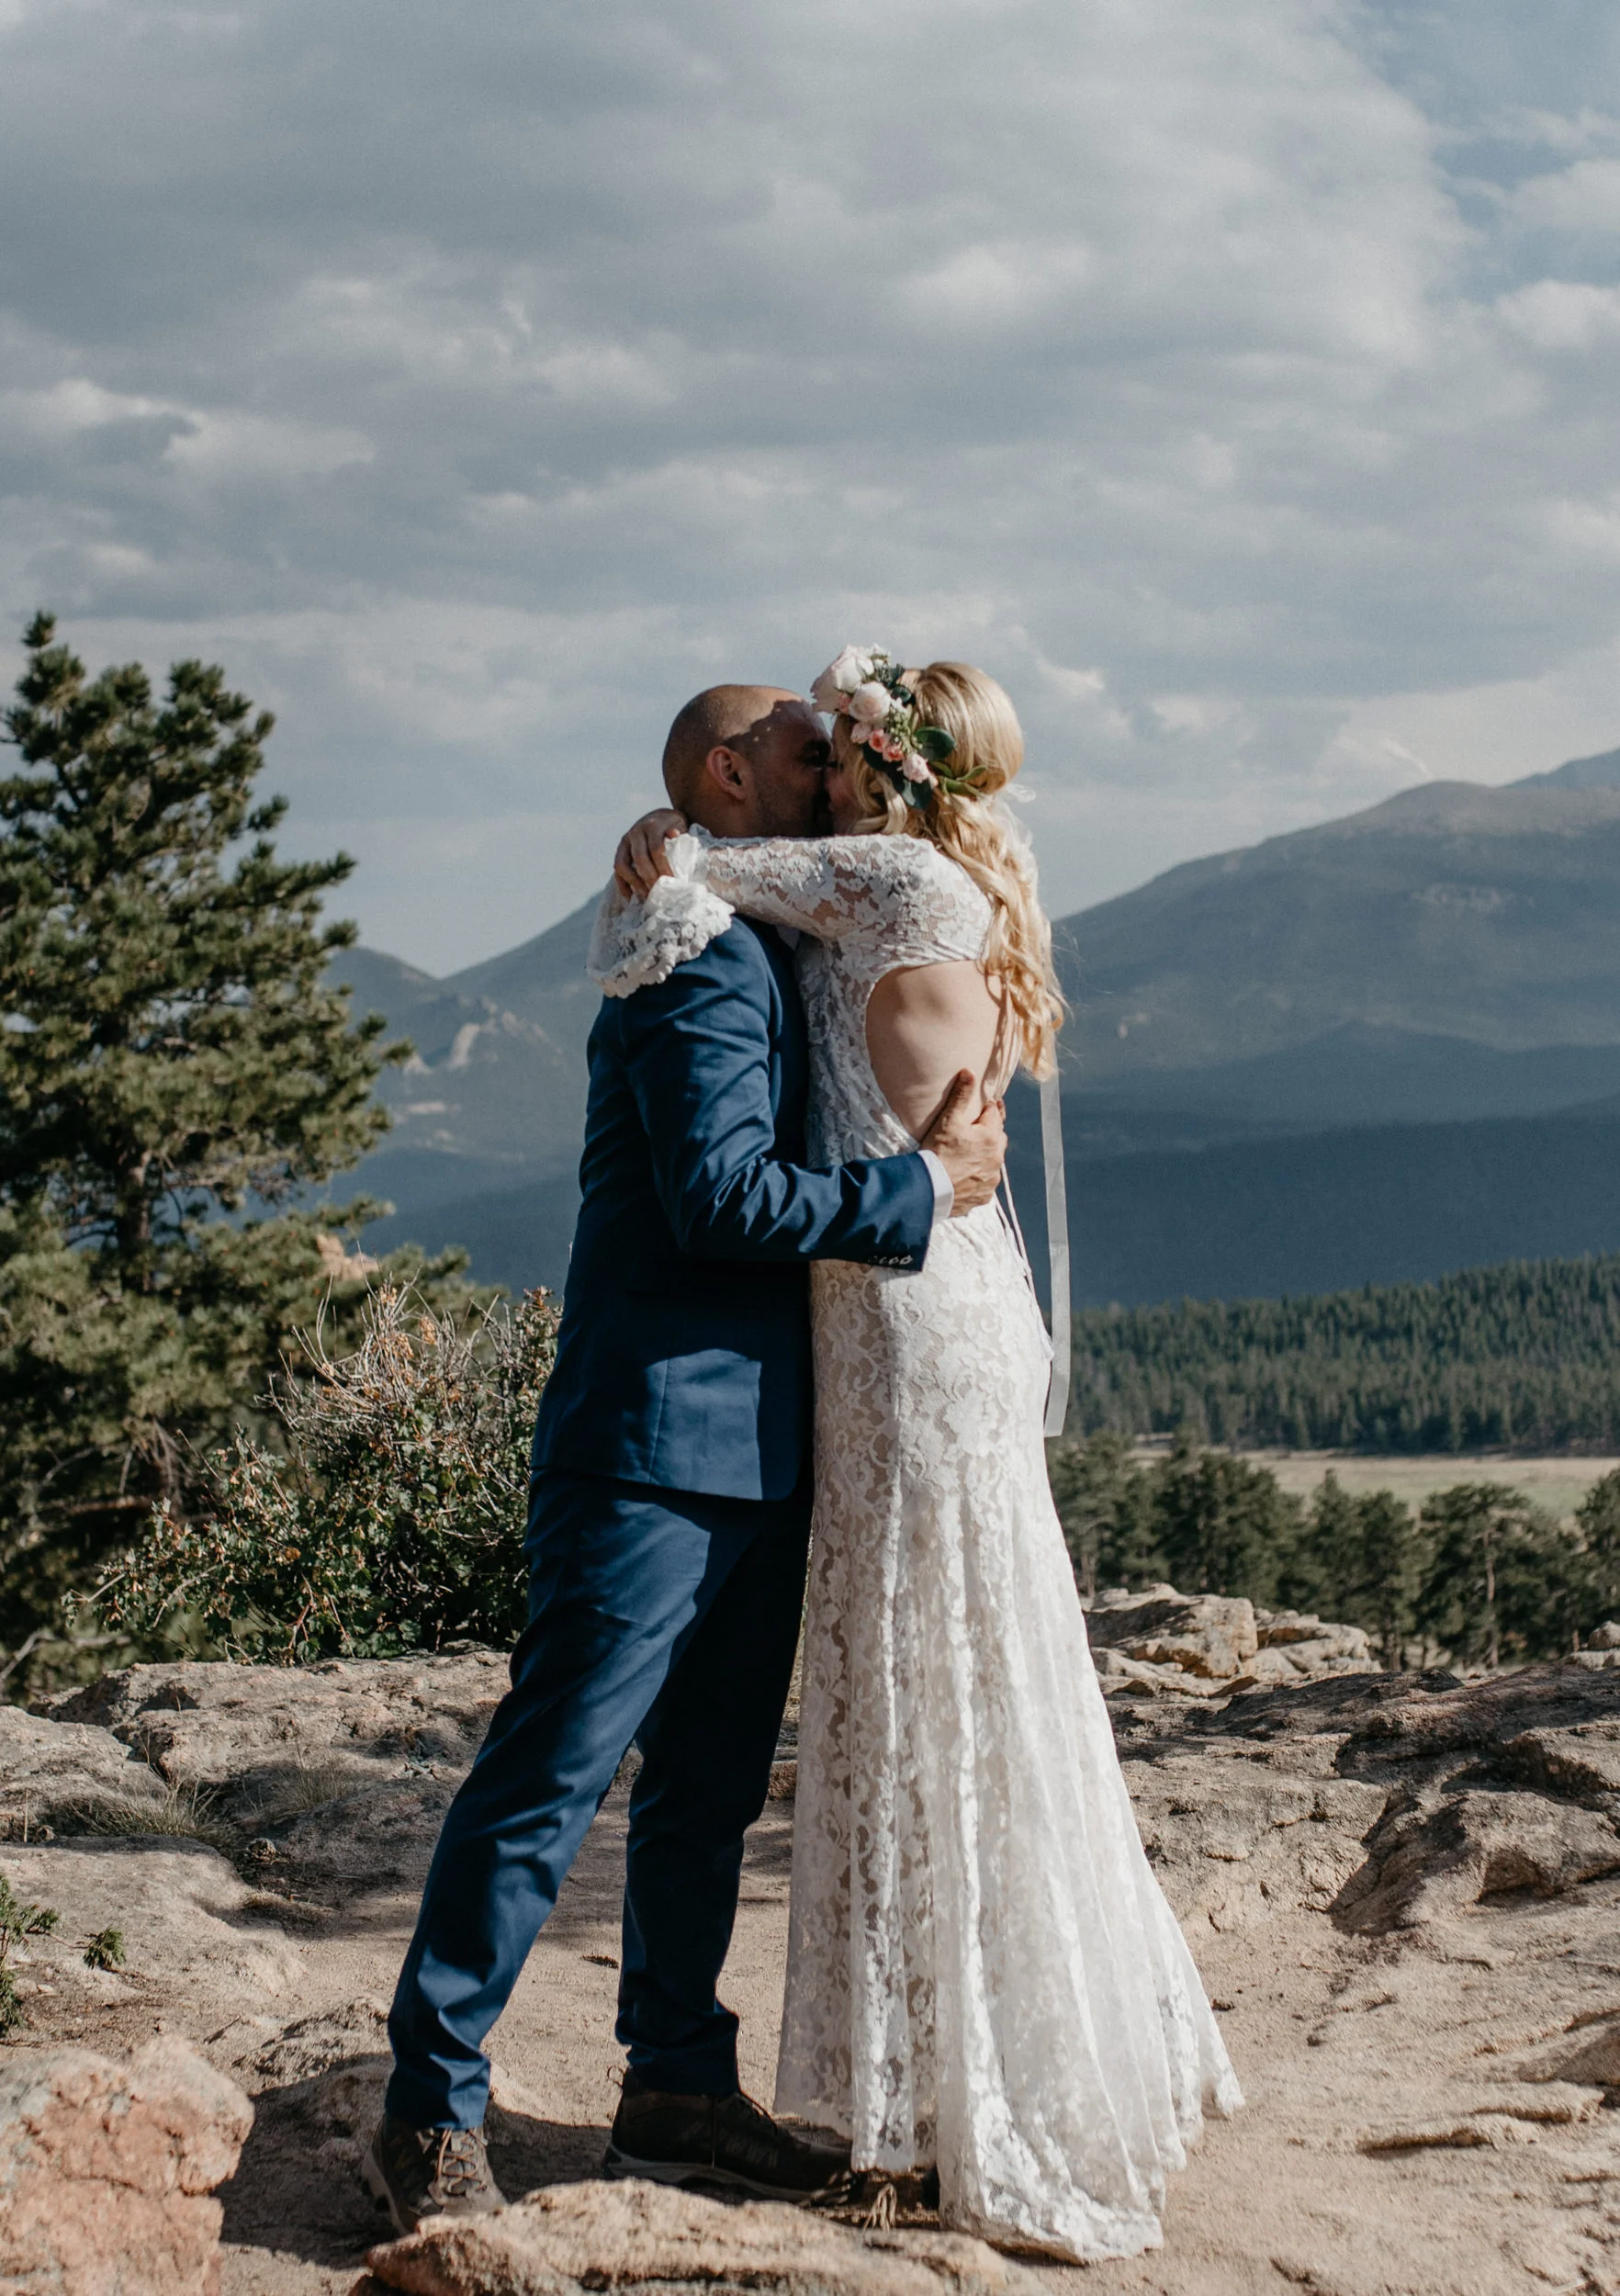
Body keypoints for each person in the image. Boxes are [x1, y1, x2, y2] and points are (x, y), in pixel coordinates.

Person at [598, 649, 1241, 2264]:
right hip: (925, 1296)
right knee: (950, 1663)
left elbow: (692, 850)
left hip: (901, 1308)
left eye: (835, 729)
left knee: (919, 1675)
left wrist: (653, 824)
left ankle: (945, 2092)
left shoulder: (882, 872)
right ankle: (965, 2066)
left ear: (882, 758)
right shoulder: (936, 875)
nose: (817, 749)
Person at [363, 684, 1008, 2234]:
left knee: (707, 1788)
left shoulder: (751, 920)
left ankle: (674, 2087)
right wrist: (917, 1197)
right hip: (655, 1436)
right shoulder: (692, 954)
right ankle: (426, 2106)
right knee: (553, 1773)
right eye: (807, 745)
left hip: (771, 1442)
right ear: (730, 769)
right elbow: (718, 1201)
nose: (835, 761)